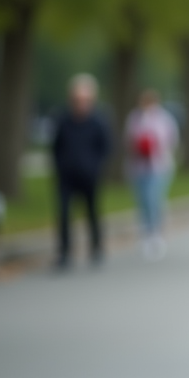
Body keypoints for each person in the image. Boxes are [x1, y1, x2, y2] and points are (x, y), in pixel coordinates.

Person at [50, 73, 111, 269]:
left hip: (89, 176)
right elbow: (55, 147)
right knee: (64, 213)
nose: (81, 104)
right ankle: (65, 252)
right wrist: (60, 167)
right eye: (77, 100)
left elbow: (106, 147)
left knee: (92, 212)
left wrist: (96, 166)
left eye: (85, 100)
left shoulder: (98, 121)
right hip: (67, 176)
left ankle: (96, 248)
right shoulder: (63, 120)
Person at [125, 89, 179, 260]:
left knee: (153, 199)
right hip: (139, 167)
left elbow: (171, 140)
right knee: (143, 201)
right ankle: (146, 233)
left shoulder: (164, 119)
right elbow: (129, 140)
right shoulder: (134, 118)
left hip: (159, 167)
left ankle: (156, 233)